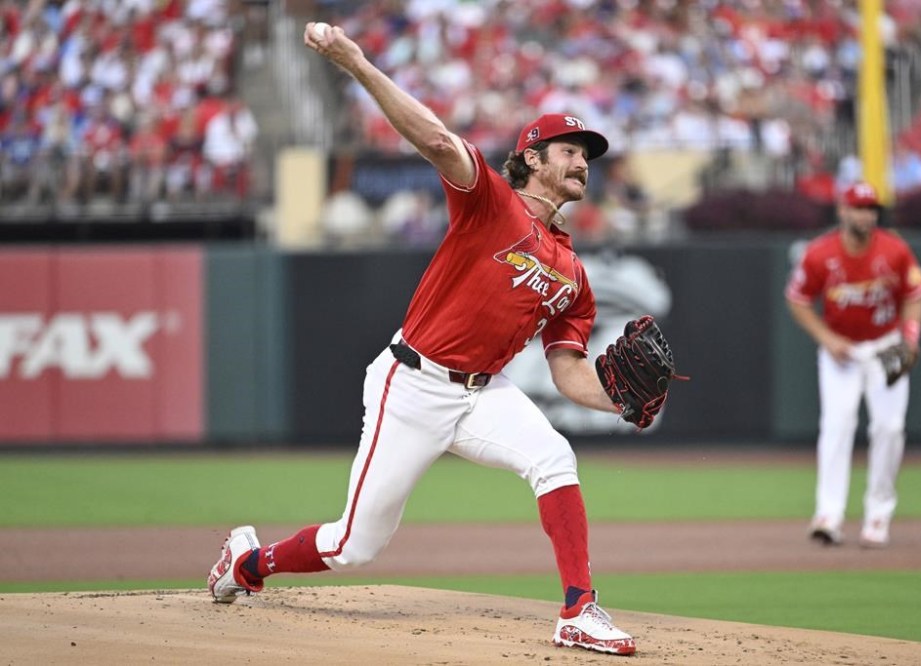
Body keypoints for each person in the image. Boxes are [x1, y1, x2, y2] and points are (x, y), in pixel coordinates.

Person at [206, 21, 637, 656]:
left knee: (554, 458)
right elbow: (435, 138)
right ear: (534, 159)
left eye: (587, 155)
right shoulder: (492, 202)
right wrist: (354, 60)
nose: (582, 162)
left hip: (483, 393)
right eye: (570, 150)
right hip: (411, 383)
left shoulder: (572, 271)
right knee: (355, 545)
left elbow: (570, 371)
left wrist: (621, 402)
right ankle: (248, 562)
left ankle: (579, 610)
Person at [785, 181, 921, 548]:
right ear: (843, 211)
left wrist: (910, 338)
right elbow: (798, 300)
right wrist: (827, 339)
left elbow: (915, 296)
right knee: (836, 425)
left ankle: (878, 515)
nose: (866, 214)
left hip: (886, 346)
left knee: (890, 427)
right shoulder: (820, 254)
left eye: (871, 208)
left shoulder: (894, 250)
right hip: (842, 352)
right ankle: (828, 515)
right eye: (859, 207)